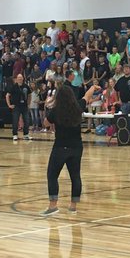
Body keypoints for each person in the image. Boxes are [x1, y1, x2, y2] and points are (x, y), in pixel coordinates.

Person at [43, 83, 84, 215]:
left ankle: (53, 205)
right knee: (75, 176)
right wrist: (94, 88)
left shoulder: (56, 111)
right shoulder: (78, 107)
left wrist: (49, 106)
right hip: (77, 146)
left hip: (60, 146)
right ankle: (73, 206)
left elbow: (45, 123)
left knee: (52, 175)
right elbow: (87, 97)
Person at [7, 72, 31, 140]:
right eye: (19, 78)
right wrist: (9, 105)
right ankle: (15, 134)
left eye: (21, 78)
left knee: (27, 120)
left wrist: (28, 104)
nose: (20, 79)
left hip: (24, 106)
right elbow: (7, 95)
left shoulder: (26, 86)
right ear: (16, 79)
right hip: (16, 106)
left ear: (23, 79)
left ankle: (26, 134)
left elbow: (29, 95)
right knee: (15, 121)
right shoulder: (14, 87)